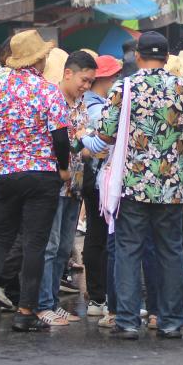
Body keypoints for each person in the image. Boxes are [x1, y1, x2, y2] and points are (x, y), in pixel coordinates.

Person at [92, 32, 183, 340]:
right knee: (171, 251)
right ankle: (171, 321)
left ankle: (127, 321)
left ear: (138, 56)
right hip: (171, 184)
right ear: (166, 58)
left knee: (128, 250)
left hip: (132, 184)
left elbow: (106, 133)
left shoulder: (124, 87)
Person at [0, 30, 71, 333]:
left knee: (0, 239)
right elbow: (60, 137)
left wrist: (3, 157)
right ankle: (25, 311)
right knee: (34, 244)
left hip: (7, 174)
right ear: (39, 59)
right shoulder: (48, 91)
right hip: (42, 174)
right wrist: (63, 167)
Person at [37, 50, 97, 326]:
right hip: (53, 183)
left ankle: (52, 302)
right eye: (84, 80)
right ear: (68, 73)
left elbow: (82, 143)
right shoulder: (51, 98)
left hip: (75, 184)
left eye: (90, 82)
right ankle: (42, 305)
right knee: (49, 247)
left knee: (63, 248)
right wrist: (80, 143)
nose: (86, 86)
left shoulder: (81, 103)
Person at [80, 54, 121, 318]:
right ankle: (98, 296)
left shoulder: (92, 102)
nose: (117, 79)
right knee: (100, 237)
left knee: (98, 236)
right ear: (104, 79)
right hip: (97, 179)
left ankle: (98, 297)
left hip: (95, 177)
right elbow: (102, 140)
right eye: (114, 75)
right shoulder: (96, 107)